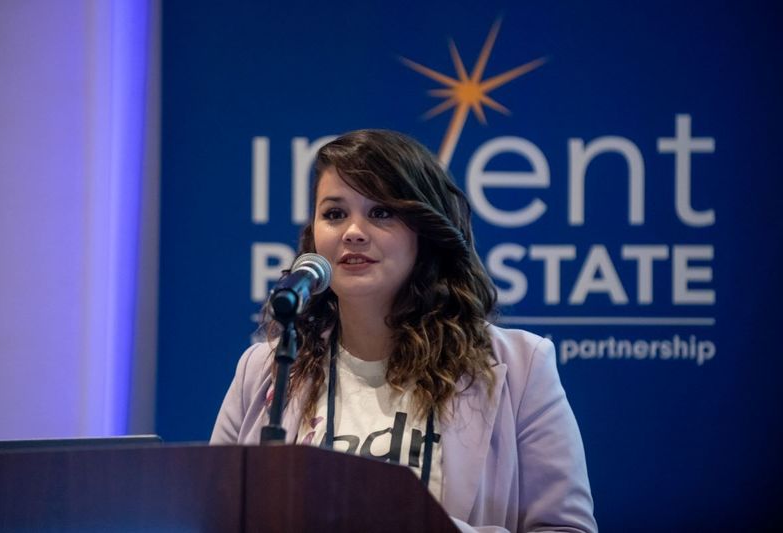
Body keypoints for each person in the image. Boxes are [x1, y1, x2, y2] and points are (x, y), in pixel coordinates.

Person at [210, 129, 597, 532]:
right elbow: (210, 521)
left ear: (425, 232)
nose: (353, 232)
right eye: (334, 214)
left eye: (380, 212)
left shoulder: (521, 366)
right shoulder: (264, 369)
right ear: (313, 238)